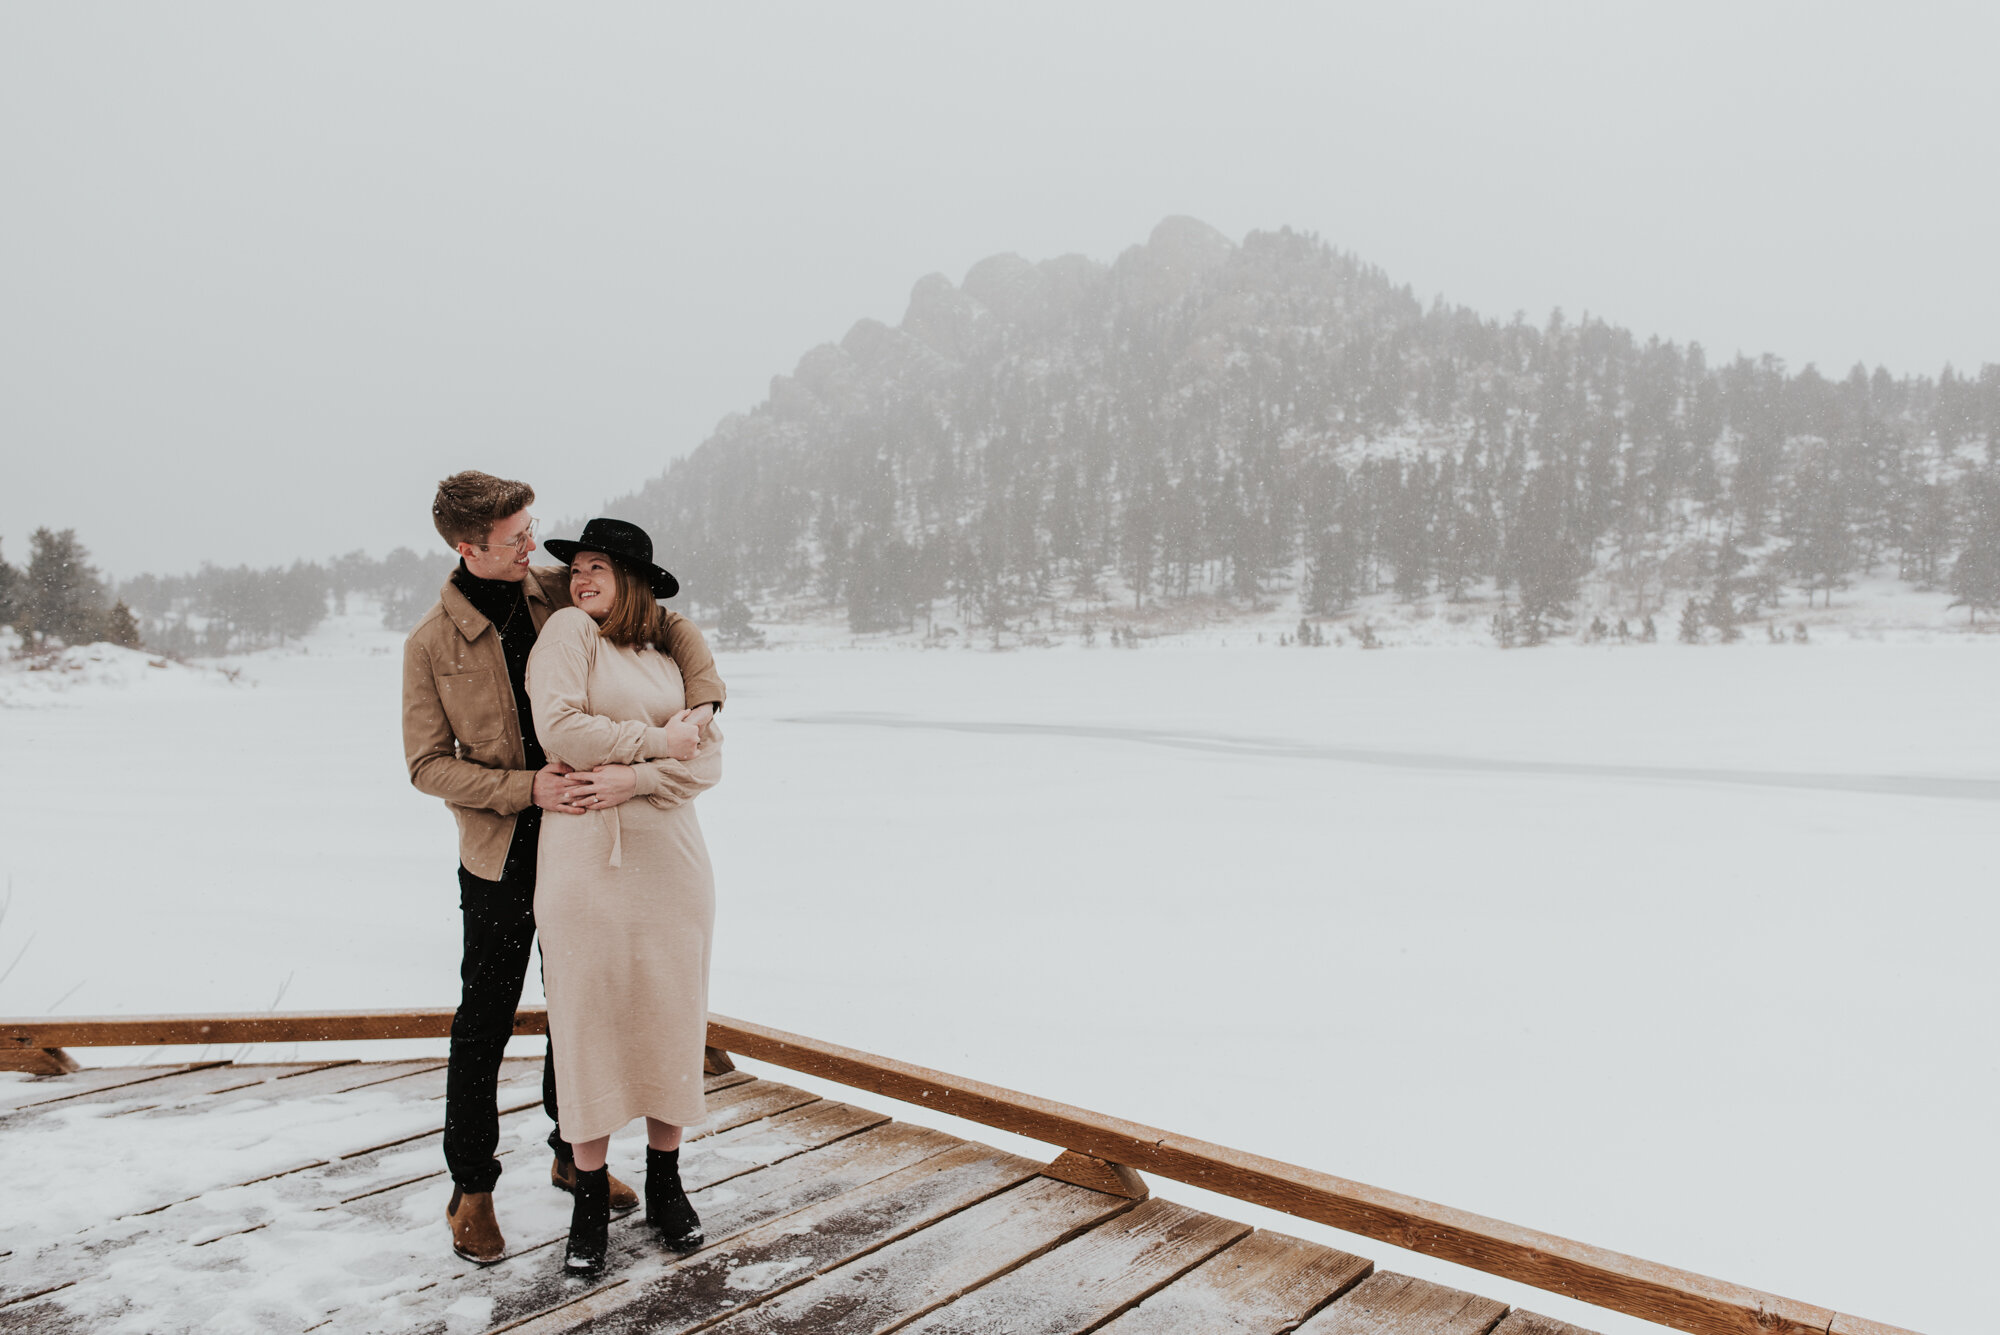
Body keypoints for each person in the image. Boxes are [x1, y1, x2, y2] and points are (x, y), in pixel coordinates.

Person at [402, 474, 726, 1266]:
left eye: (528, 529)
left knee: (581, 1002)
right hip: (502, 847)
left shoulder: (554, 589)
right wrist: (525, 787)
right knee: (486, 1011)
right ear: (465, 546)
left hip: (586, 836)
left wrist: (708, 702)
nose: (529, 546)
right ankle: (471, 1183)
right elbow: (425, 766)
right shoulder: (431, 644)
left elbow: (664, 617)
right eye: (514, 537)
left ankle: (567, 1148)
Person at [525, 517, 724, 1276]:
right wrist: (654, 744)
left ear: (633, 576)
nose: (580, 578)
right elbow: (562, 729)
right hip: (585, 858)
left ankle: (668, 1182)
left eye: (597, 566)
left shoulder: (670, 644)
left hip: (671, 859)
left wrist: (635, 778)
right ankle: (585, 1197)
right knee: (590, 1020)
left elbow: (707, 765)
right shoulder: (571, 633)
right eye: (575, 566)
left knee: (671, 1013)